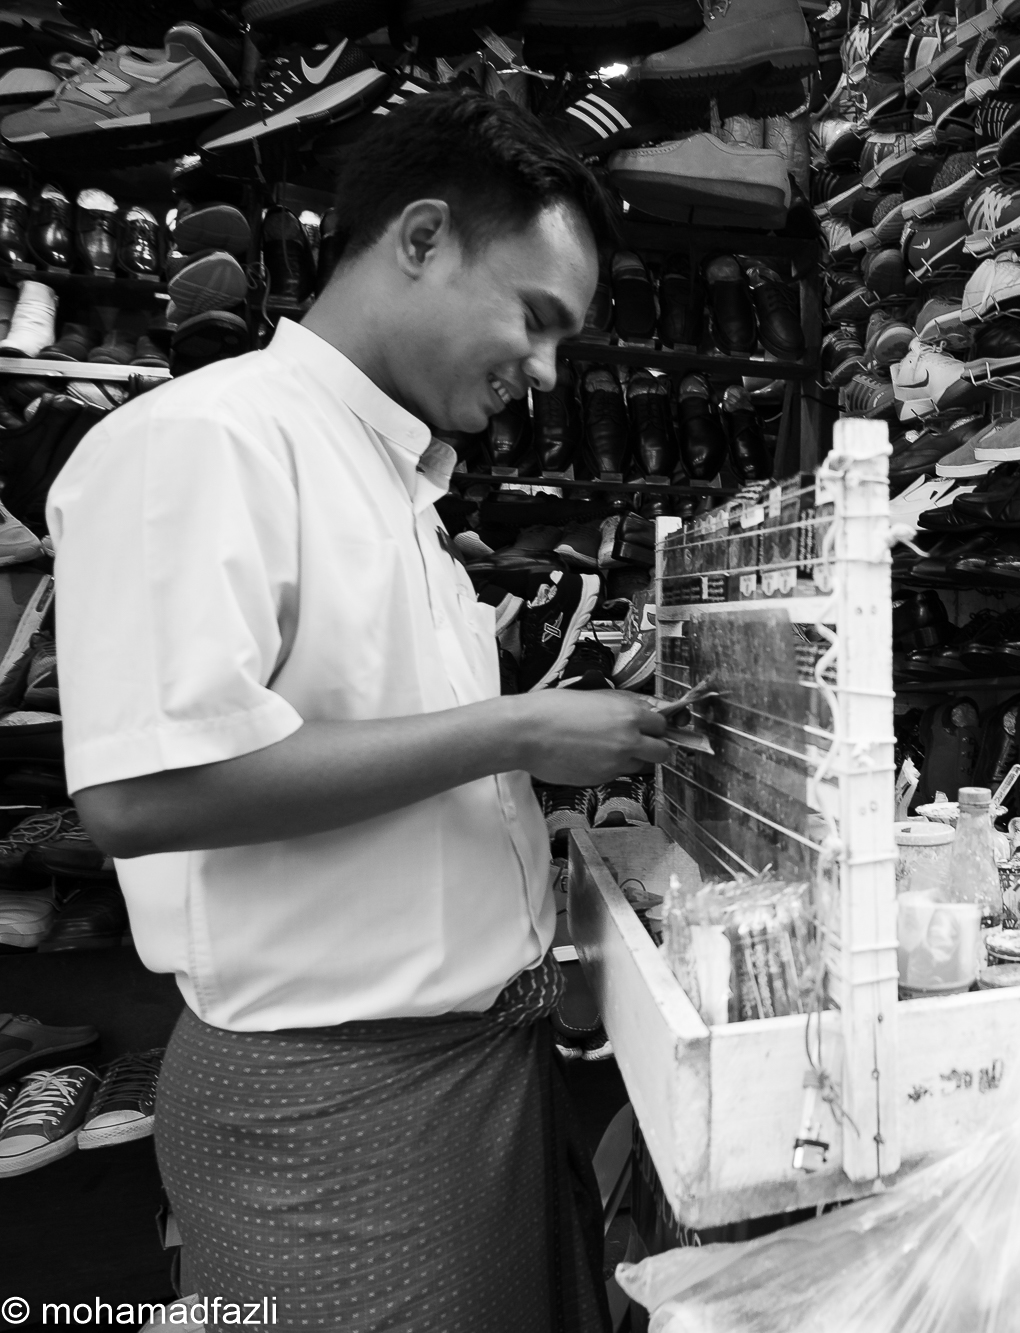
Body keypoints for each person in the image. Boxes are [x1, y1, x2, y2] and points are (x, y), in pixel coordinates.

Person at [49, 94, 673, 1331]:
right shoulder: (209, 441)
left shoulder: (391, 487)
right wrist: (520, 734)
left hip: (467, 1076)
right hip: (331, 1110)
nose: (545, 372)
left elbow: (372, 769)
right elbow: (136, 795)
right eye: (535, 319)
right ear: (424, 237)